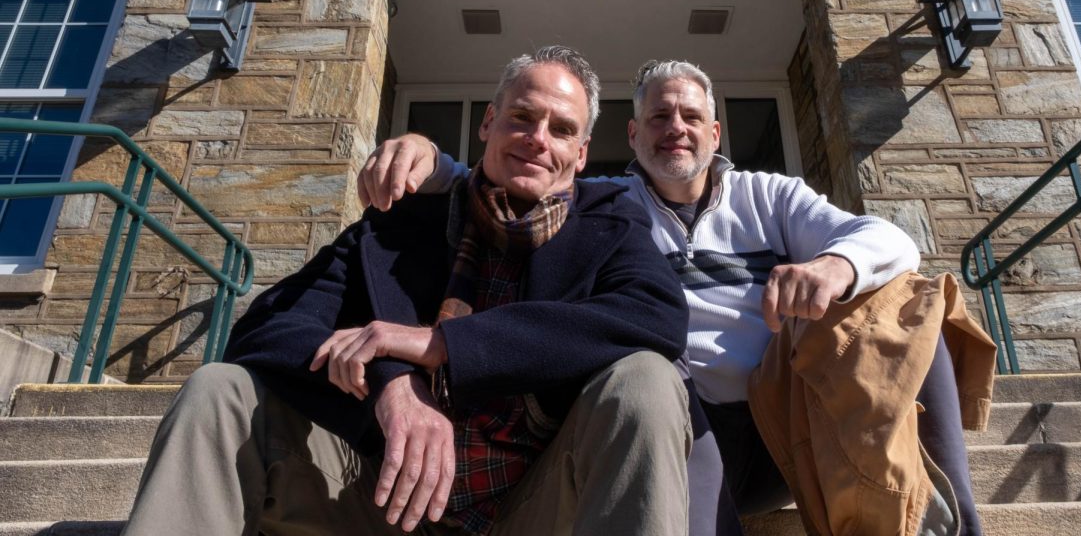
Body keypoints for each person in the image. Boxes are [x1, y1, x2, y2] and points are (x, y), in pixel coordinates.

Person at [359, 59, 996, 536]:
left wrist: (835, 264)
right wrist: (427, 155)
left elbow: (891, 240)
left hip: (786, 421)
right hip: (670, 428)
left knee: (913, 296)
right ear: (632, 136)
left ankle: (957, 522)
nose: (676, 130)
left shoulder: (770, 197)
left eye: (691, 116)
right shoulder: (603, 203)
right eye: (659, 117)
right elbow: (515, 172)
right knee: (652, 374)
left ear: (716, 132)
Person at [123, 46, 692, 536]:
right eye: (522, 117)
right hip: (377, 503)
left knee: (647, 380)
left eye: (562, 129)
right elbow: (265, 328)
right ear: (488, 123)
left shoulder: (610, 224)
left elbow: (656, 318)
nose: (538, 140)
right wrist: (392, 385)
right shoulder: (399, 222)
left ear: (582, 153)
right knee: (219, 390)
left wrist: (444, 345)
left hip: (536, 507)